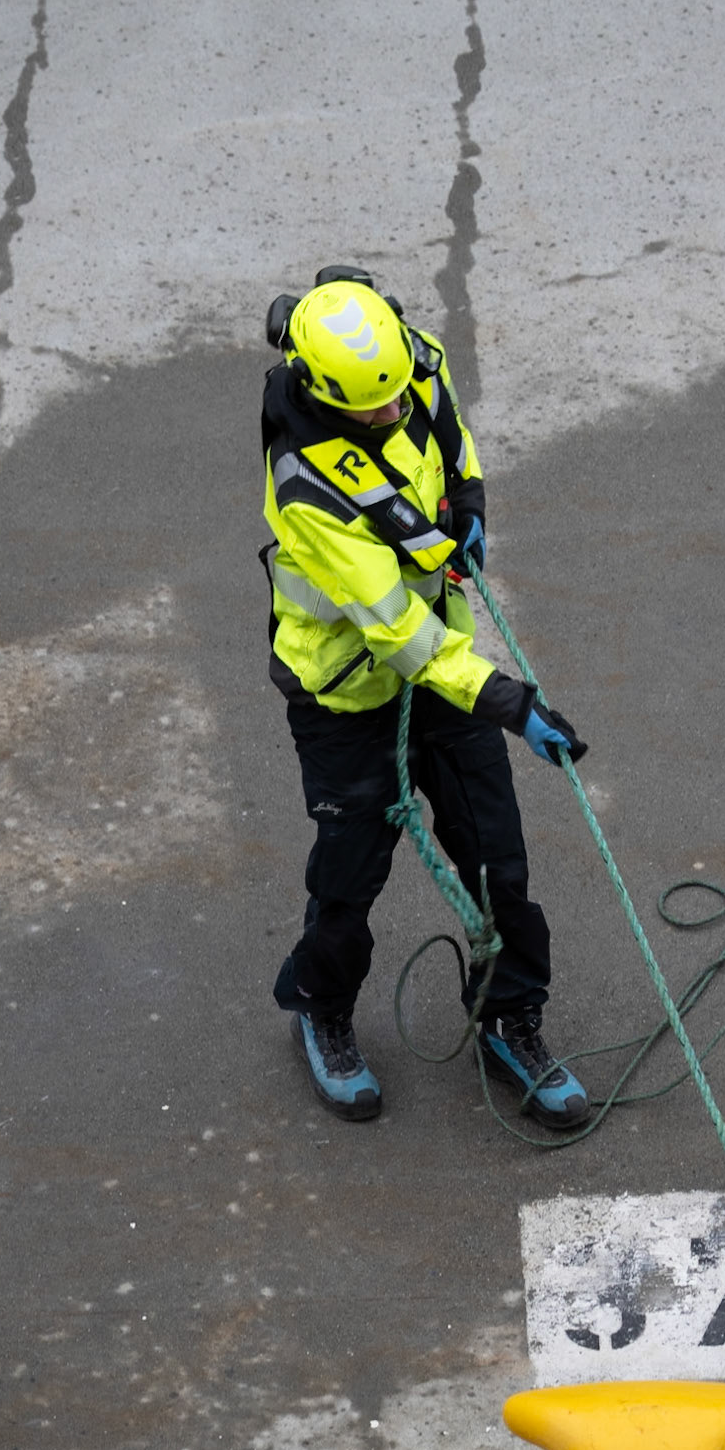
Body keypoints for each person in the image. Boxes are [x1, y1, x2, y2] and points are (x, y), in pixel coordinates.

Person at [259, 265, 590, 1129]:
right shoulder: (308, 491)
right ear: (325, 397)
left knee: (497, 858)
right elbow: (400, 634)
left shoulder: (409, 367)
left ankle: (509, 1019)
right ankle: (320, 1009)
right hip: (347, 693)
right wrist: (512, 703)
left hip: (443, 672)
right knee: (350, 875)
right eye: (370, 410)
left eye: (396, 394)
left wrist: (470, 499)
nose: (391, 413)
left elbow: (450, 437)